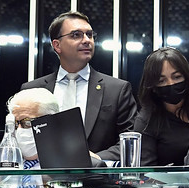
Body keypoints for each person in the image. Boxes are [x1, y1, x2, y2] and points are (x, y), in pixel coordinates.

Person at [21, 11, 138, 163]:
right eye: (76, 35)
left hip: (97, 175)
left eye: (89, 35)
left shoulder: (117, 90)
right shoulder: (32, 90)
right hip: (42, 175)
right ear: (57, 45)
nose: (87, 40)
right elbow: (18, 138)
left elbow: (130, 140)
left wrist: (95, 160)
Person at [134, 47, 189, 166]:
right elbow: (146, 170)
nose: (171, 84)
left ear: (186, 76)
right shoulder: (146, 121)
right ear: (153, 86)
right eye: (161, 81)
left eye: (177, 77)